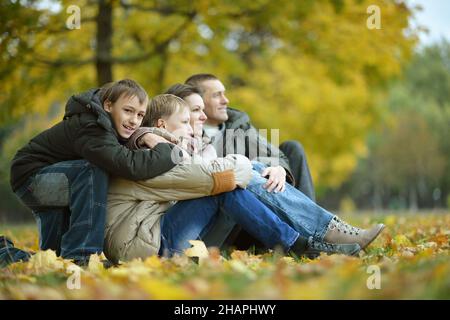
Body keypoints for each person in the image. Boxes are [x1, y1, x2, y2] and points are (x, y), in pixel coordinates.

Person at [104, 94, 362, 263]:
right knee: (230, 183)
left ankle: (307, 239)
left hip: (156, 238)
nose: (192, 127)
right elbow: (207, 177)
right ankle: (314, 236)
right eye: (185, 121)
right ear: (161, 125)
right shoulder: (152, 152)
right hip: (143, 249)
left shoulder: (166, 149)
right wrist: (251, 165)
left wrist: (262, 168)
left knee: (232, 184)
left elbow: (204, 178)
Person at [165, 83, 385, 251]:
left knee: (259, 165)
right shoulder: (162, 145)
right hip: (175, 239)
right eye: (196, 110)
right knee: (238, 177)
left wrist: (276, 167)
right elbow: (196, 179)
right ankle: (324, 233)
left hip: (207, 227)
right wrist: (244, 166)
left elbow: (273, 154)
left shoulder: (218, 135)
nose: (203, 116)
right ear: (175, 113)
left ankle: (317, 237)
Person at [9, 79, 178, 265]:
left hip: (57, 177)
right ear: (108, 105)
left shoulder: (107, 127)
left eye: (140, 115)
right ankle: (84, 255)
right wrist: (168, 151)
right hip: (32, 177)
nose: (134, 120)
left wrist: (144, 135)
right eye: (128, 110)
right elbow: (130, 165)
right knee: (92, 171)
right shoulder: (92, 128)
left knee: (54, 259)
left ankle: (5, 252)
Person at [184, 73, 317, 247]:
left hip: (260, 204)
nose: (226, 100)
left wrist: (278, 169)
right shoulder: (186, 131)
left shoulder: (239, 124)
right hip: (232, 220)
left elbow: (275, 155)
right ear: (198, 102)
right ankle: (308, 236)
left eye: (224, 93)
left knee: (292, 148)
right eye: (217, 95)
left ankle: (313, 228)